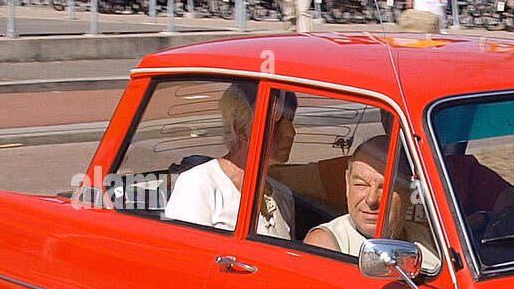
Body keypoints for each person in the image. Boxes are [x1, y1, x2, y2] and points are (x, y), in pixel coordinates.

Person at [163, 84, 297, 239]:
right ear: (241, 129)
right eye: (276, 122)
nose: (290, 132)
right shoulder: (199, 184)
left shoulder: (283, 196)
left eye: (291, 121)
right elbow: (187, 254)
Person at [305, 135, 442, 274]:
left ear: (409, 193)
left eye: (386, 188)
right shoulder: (328, 243)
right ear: (347, 184)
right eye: (361, 185)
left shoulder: (429, 239)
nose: (371, 199)